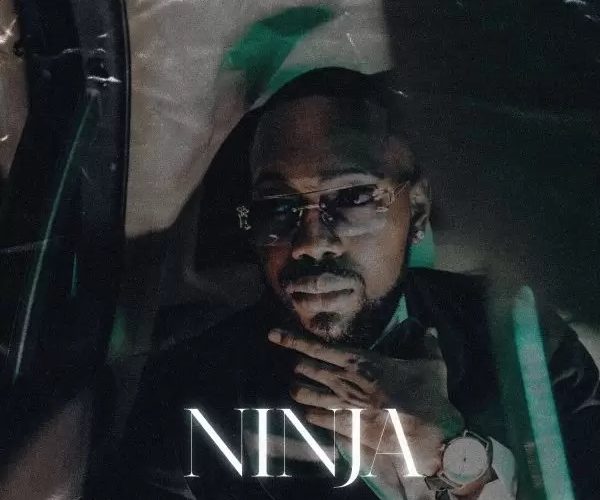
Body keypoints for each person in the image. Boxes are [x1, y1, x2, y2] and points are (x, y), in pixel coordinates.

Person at [106, 68, 600, 500]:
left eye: (353, 197)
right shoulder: (187, 387)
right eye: (278, 206)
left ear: (417, 212)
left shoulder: (520, 338)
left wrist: (450, 456)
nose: (311, 243)